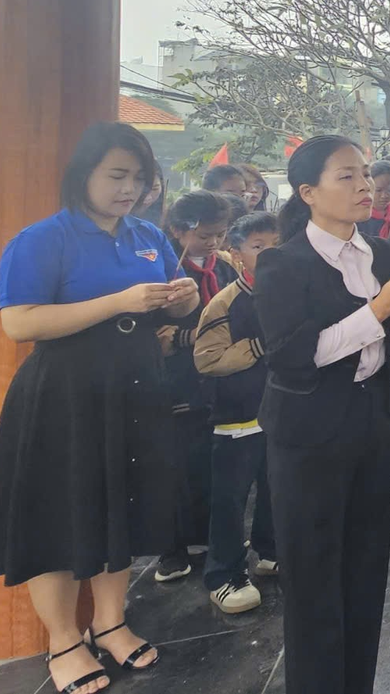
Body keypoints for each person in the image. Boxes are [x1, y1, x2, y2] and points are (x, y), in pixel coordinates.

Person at [0, 121, 202, 694]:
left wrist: (184, 301)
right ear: (84, 176)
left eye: (140, 178)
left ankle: (111, 621)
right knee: (58, 514)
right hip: (65, 394)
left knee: (121, 508)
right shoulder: (43, 239)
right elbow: (19, 321)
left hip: (135, 388)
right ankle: (63, 641)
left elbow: (167, 303)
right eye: (117, 175)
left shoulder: (147, 233)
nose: (129, 188)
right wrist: (118, 302)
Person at [255, 136, 390, 694]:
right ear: (308, 192)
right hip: (309, 435)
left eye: (365, 175)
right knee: (314, 578)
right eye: (347, 177)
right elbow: (293, 355)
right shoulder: (282, 263)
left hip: (372, 425)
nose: (365, 186)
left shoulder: (383, 253)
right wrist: (379, 307)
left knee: (365, 570)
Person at [192, 210, 281, 614]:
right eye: (259, 247)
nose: (269, 254)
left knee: (274, 488)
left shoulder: (288, 291)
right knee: (230, 500)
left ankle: (269, 551)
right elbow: (207, 359)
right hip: (236, 416)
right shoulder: (224, 303)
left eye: (276, 245)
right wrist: (256, 348)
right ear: (237, 253)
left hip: (279, 412)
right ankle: (224, 575)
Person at [154, 190, 235, 584]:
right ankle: (171, 549)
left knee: (209, 462)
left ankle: (204, 535)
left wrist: (187, 338)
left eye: (220, 234)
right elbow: (158, 334)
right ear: (177, 229)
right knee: (174, 470)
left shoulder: (226, 269)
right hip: (175, 383)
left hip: (215, 380)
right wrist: (186, 339)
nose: (213, 242)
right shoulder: (161, 269)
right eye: (204, 235)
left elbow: (233, 322)